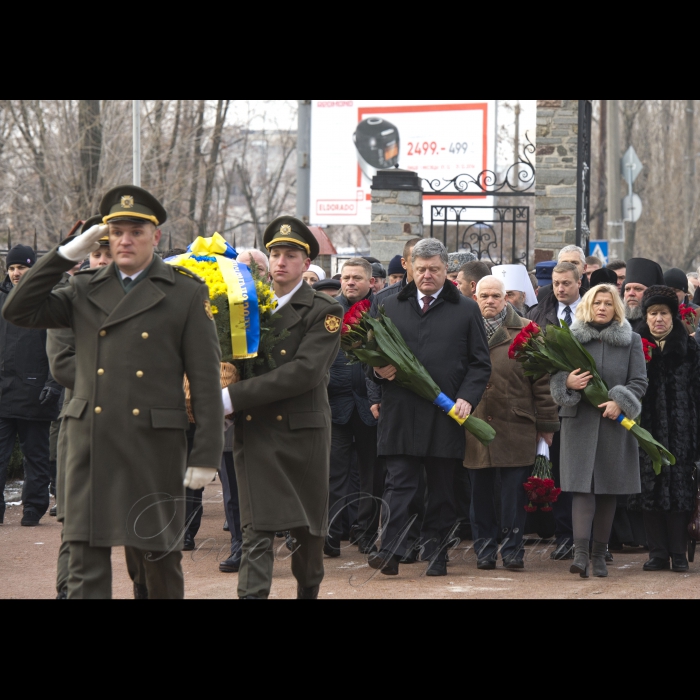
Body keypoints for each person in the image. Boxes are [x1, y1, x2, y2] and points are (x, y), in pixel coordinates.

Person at [3, 185, 224, 598]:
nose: (125, 240)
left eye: (136, 231)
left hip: (153, 447)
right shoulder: (83, 288)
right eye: (116, 231)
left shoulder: (185, 293)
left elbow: (206, 377)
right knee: (85, 563)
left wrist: (207, 451)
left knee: (158, 563)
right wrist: (67, 253)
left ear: (155, 237)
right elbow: (17, 309)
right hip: (92, 444)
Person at [222, 216, 343, 599]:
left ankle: (308, 589)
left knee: (307, 534)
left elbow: (303, 374)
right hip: (256, 431)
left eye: (291, 255)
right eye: (275, 253)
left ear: (306, 264)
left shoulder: (324, 310)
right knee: (255, 529)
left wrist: (232, 398)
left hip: (300, 433)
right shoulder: (247, 305)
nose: (281, 262)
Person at [367, 238, 491, 576]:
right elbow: (371, 357)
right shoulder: (388, 305)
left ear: (446, 270)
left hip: (446, 413)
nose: (426, 275)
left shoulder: (466, 308)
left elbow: (480, 364)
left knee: (441, 489)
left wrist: (467, 398)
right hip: (402, 412)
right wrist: (378, 371)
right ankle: (390, 551)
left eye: (434, 269)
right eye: (420, 269)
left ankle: (436, 552)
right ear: (408, 267)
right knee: (399, 485)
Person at [549, 283, 646, 577]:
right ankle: (580, 555)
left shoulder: (632, 341)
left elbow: (639, 382)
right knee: (581, 490)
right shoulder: (571, 340)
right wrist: (567, 384)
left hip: (613, 425)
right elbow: (555, 378)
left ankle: (599, 554)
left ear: (615, 308)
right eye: (596, 303)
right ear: (587, 307)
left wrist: (620, 402)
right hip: (579, 423)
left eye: (607, 303)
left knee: (607, 491)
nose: (602, 307)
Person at [465, 275, 559, 570]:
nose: (490, 301)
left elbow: (542, 382)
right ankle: (484, 549)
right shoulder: (464, 330)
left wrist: (546, 424)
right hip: (476, 423)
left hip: (516, 424)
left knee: (513, 495)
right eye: (484, 296)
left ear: (507, 298)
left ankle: (513, 550)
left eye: (496, 296)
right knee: (479, 494)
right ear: (475, 298)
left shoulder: (529, 331)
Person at [629, 286, 700, 572]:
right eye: (653, 313)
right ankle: (657, 553)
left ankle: (678, 553)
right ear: (645, 316)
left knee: (680, 491)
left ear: (673, 316)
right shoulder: (636, 346)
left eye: (664, 314)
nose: (658, 319)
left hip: (683, 431)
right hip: (645, 429)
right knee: (650, 490)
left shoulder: (691, 348)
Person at [0, 245, 62, 527]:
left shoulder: (47, 303)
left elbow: (58, 347)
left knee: (36, 458)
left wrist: (53, 384)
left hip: (36, 395)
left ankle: (33, 508)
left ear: (32, 269)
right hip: (3, 394)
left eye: (21, 268)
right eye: (11, 268)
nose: (15, 273)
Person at [527, 261, 583, 560]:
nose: (560, 288)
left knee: (586, 474)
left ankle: (592, 539)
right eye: (556, 283)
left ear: (579, 282)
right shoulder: (538, 314)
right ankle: (565, 536)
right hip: (553, 406)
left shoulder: (593, 311)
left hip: (588, 407)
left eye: (566, 283)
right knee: (560, 474)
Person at [327, 258, 381, 556]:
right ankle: (332, 534)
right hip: (335, 405)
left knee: (371, 475)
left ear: (370, 281)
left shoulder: (380, 310)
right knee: (335, 474)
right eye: (346, 277)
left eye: (357, 278)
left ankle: (365, 533)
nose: (350, 282)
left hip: (371, 406)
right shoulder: (329, 310)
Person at [623, 257, 664, 333]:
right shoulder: (615, 323)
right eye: (627, 289)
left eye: (638, 289)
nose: (631, 293)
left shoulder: (663, 325)